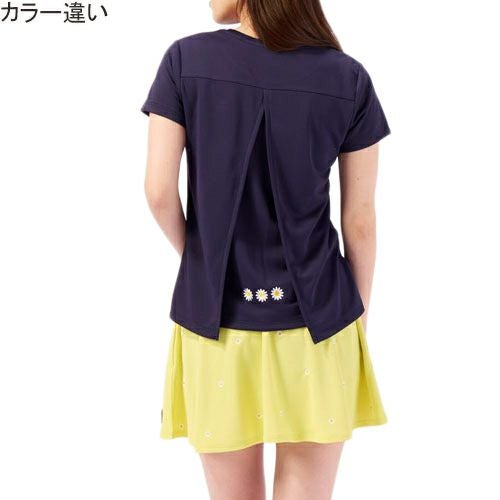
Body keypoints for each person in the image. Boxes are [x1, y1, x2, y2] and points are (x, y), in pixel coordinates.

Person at [141, 0, 391, 498]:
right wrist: (358, 314)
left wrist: (201, 259)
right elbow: (359, 220)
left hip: (215, 320)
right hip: (320, 321)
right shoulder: (347, 77)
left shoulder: (185, 60)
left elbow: (158, 191)